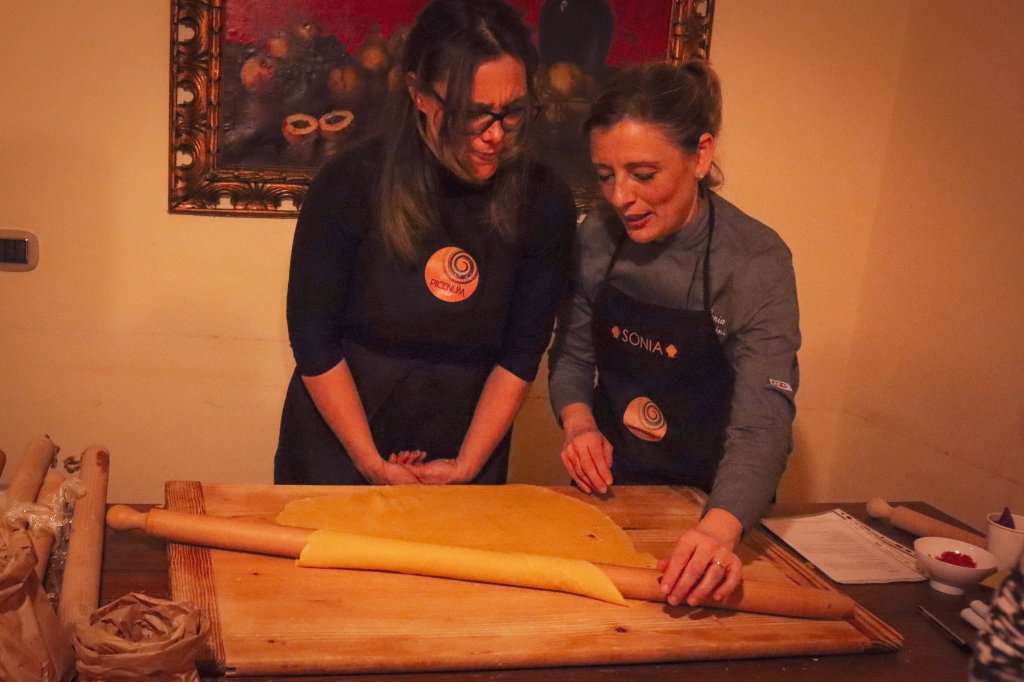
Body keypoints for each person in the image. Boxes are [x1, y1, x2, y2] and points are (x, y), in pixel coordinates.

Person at [275, 0, 575, 487]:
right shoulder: (349, 181)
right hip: (342, 431)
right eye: (472, 114)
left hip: (466, 438)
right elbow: (313, 337)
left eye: (513, 112)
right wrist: (370, 462)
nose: (495, 135)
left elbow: (522, 352)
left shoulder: (545, 200)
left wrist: (468, 465)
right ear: (419, 93)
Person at [547, 61, 800, 607]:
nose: (620, 197)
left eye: (643, 174)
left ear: (701, 155)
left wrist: (717, 531)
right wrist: (578, 424)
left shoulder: (753, 261)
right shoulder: (596, 238)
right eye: (605, 175)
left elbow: (763, 423)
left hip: (714, 504)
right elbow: (571, 356)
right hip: (613, 492)